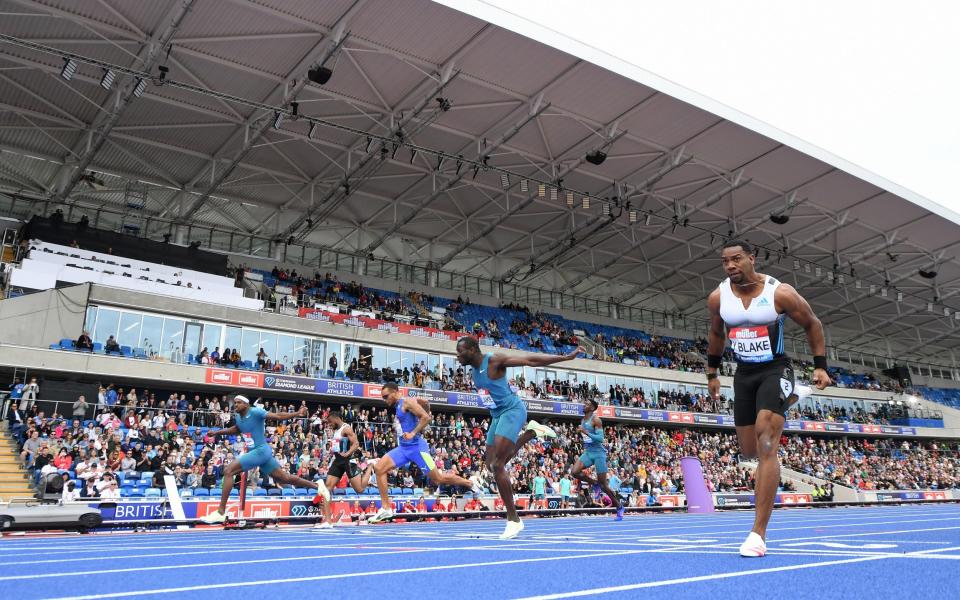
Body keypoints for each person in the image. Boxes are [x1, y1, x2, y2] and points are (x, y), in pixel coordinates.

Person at [706, 239, 829, 557]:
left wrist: (820, 367)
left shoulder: (780, 293)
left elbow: (812, 323)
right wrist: (712, 373)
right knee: (748, 450)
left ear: (751, 258)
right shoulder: (719, 297)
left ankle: (757, 534)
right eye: (725, 261)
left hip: (775, 369)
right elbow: (717, 334)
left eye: (736, 259)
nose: (730, 265)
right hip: (744, 375)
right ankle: (792, 398)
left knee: (765, 444)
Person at [455, 336, 581, 539]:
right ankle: (532, 432)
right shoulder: (472, 372)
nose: (457, 355)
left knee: (498, 466)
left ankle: (514, 520)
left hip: (512, 410)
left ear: (472, 349)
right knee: (491, 465)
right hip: (497, 415)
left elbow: (529, 360)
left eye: (460, 351)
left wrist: (565, 357)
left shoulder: (494, 360)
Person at [200, 395, 330, 524]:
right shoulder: (239, 417)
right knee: (283, 478)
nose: (235, 405)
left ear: (246, 404)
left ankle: (221, 512)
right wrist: (217, 433)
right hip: (258, 454)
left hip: (261, 450)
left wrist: (297, 413)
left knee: (229, 471)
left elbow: (278, 416)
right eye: (234, 402)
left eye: (238, 403)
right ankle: (317, 485)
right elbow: (236, 429)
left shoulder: (256, 412)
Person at [368, 383, 481, 523]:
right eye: (383, 398)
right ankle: (386, 509)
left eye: (386, 396)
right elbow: (426, 410)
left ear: (396, 392)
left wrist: (413, 432)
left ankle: (469, 483)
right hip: (403, 448)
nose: (384, 400)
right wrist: (426, 404)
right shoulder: (400, 404)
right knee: (379, 468)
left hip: (417, 448)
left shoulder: (407, 402)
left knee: (438, 479)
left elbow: (426, 418)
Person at [317, 411, 374, 528]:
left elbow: (356, 443)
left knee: (359, 489)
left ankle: (370, 466)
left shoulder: (346, 428)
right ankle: (328, 521)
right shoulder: (336, 431)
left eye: (329, 422)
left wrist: (347, 453)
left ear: (335, 418)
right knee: (327, 488)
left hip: (349, 459)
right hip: (338, 460)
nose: (329, 425)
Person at [570, 397, 624, 520]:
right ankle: (595, 484)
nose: (584, 405)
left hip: (599, 453)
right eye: (584, 403)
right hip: (588, 452)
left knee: (604, 485)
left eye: (587, 404)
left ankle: (619, 506)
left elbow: (600, 439)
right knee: (574, 472)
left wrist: (585, 432)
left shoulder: (596, 420)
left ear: (593, 408)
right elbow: (586, 436)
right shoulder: (583, 420)